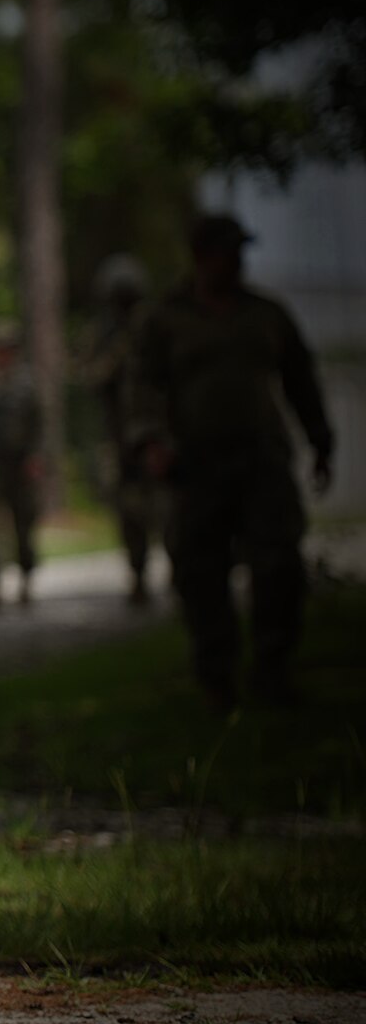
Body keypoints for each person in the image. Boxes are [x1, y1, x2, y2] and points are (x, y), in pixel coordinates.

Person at [127, 213, 334, 712]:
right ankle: (216, 677)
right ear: (202, 257)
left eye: (241, 252)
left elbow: (301, 380)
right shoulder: (166, 319)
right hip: (196, 464)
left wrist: (321, 441)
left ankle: (273, 671)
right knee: (200, 572)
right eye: (227, 252)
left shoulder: (266, 313)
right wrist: (152, 442)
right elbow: (143, 388)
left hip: (263, 459)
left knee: (279, 565)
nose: (237, 262)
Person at [83, 253, 163, 605]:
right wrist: (119, 355)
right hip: (120, 438)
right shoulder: (103, 335)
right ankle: (139, 571)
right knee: (128, 510)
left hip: (158, 436)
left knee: (165, 504)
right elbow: (92, 377)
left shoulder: (157, 326)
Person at [0, 320, 43, 609]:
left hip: (20, 461)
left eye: (7, 349)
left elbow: (39, 425)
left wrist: (36, 457)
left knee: (23, 522)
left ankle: (26, 577)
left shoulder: (27, 384)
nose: (1, 355)